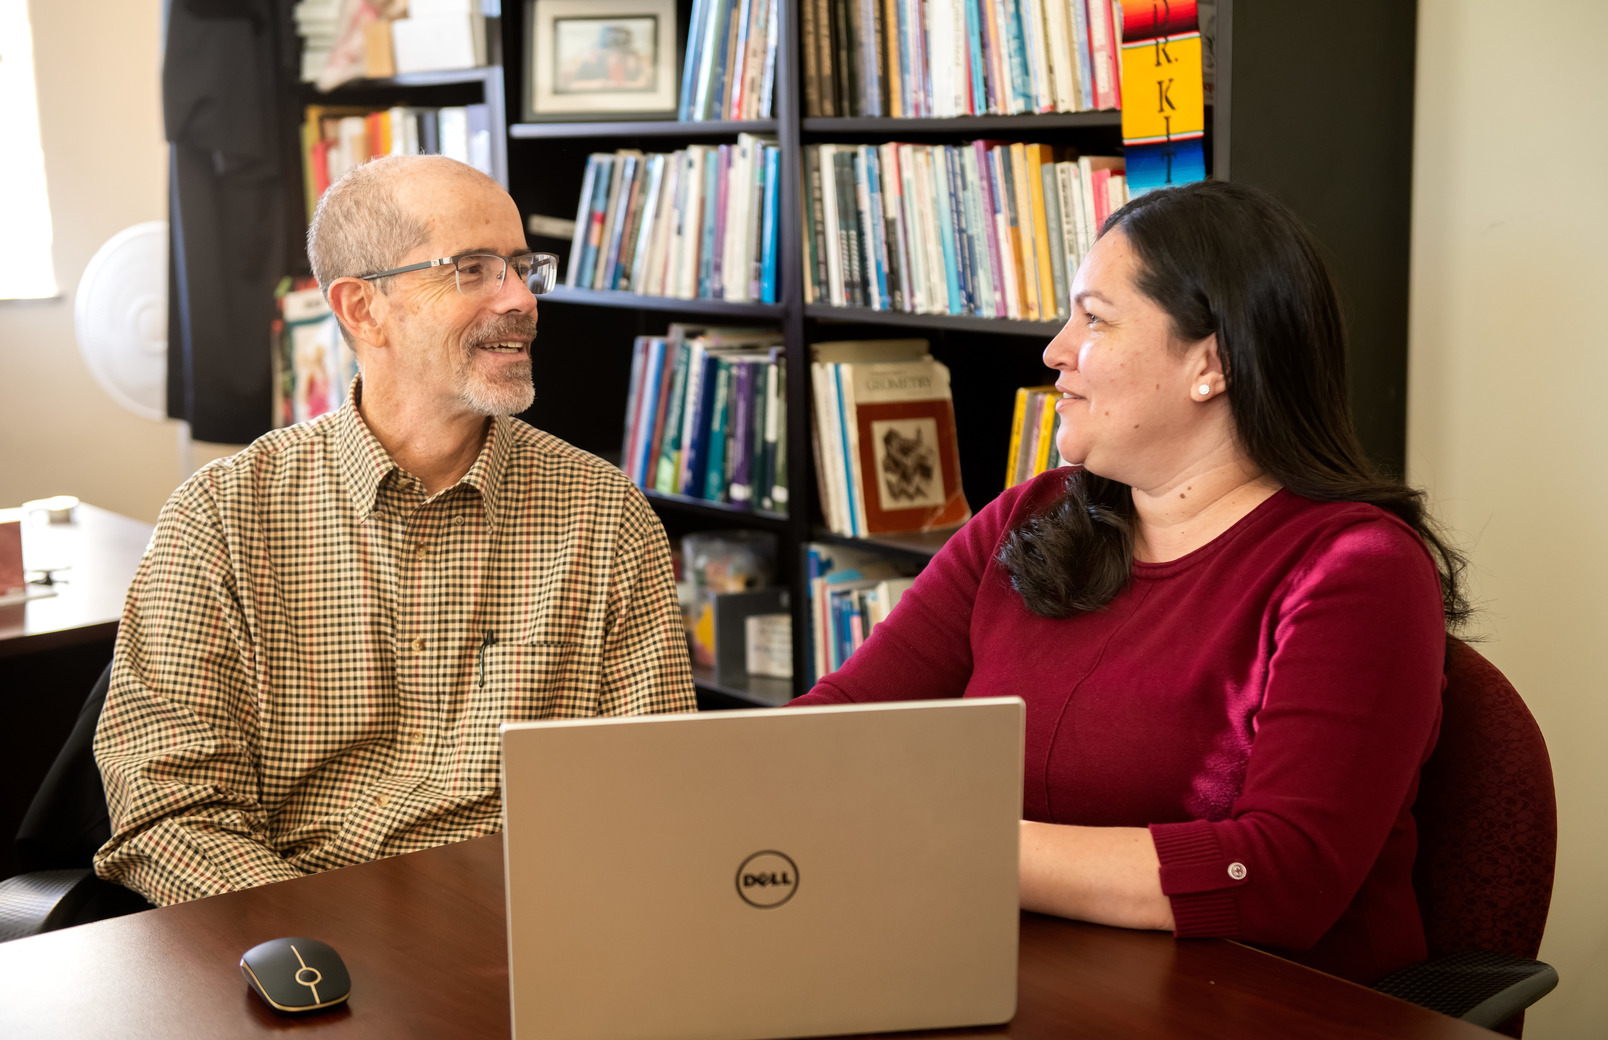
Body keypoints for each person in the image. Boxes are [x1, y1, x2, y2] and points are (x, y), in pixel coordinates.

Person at [791, 179, 1468, 986]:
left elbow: (1283, 877)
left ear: (1210, 364)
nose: (1054, 350)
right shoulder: (1028, 518)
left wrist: (954, 843)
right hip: (1023, 974)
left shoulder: (1358, 570)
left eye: (1096, 319)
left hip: (1264, 1009)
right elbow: (835, 727)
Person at [94, 155, 696, 907]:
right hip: (305, 943)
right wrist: (319, 951)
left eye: (520, 265)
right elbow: (169, 811)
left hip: (530, 931)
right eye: (473, 269)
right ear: (360, 307)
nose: (521, 299)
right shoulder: (220, 519)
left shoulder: (605, 515)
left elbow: (656, 790)